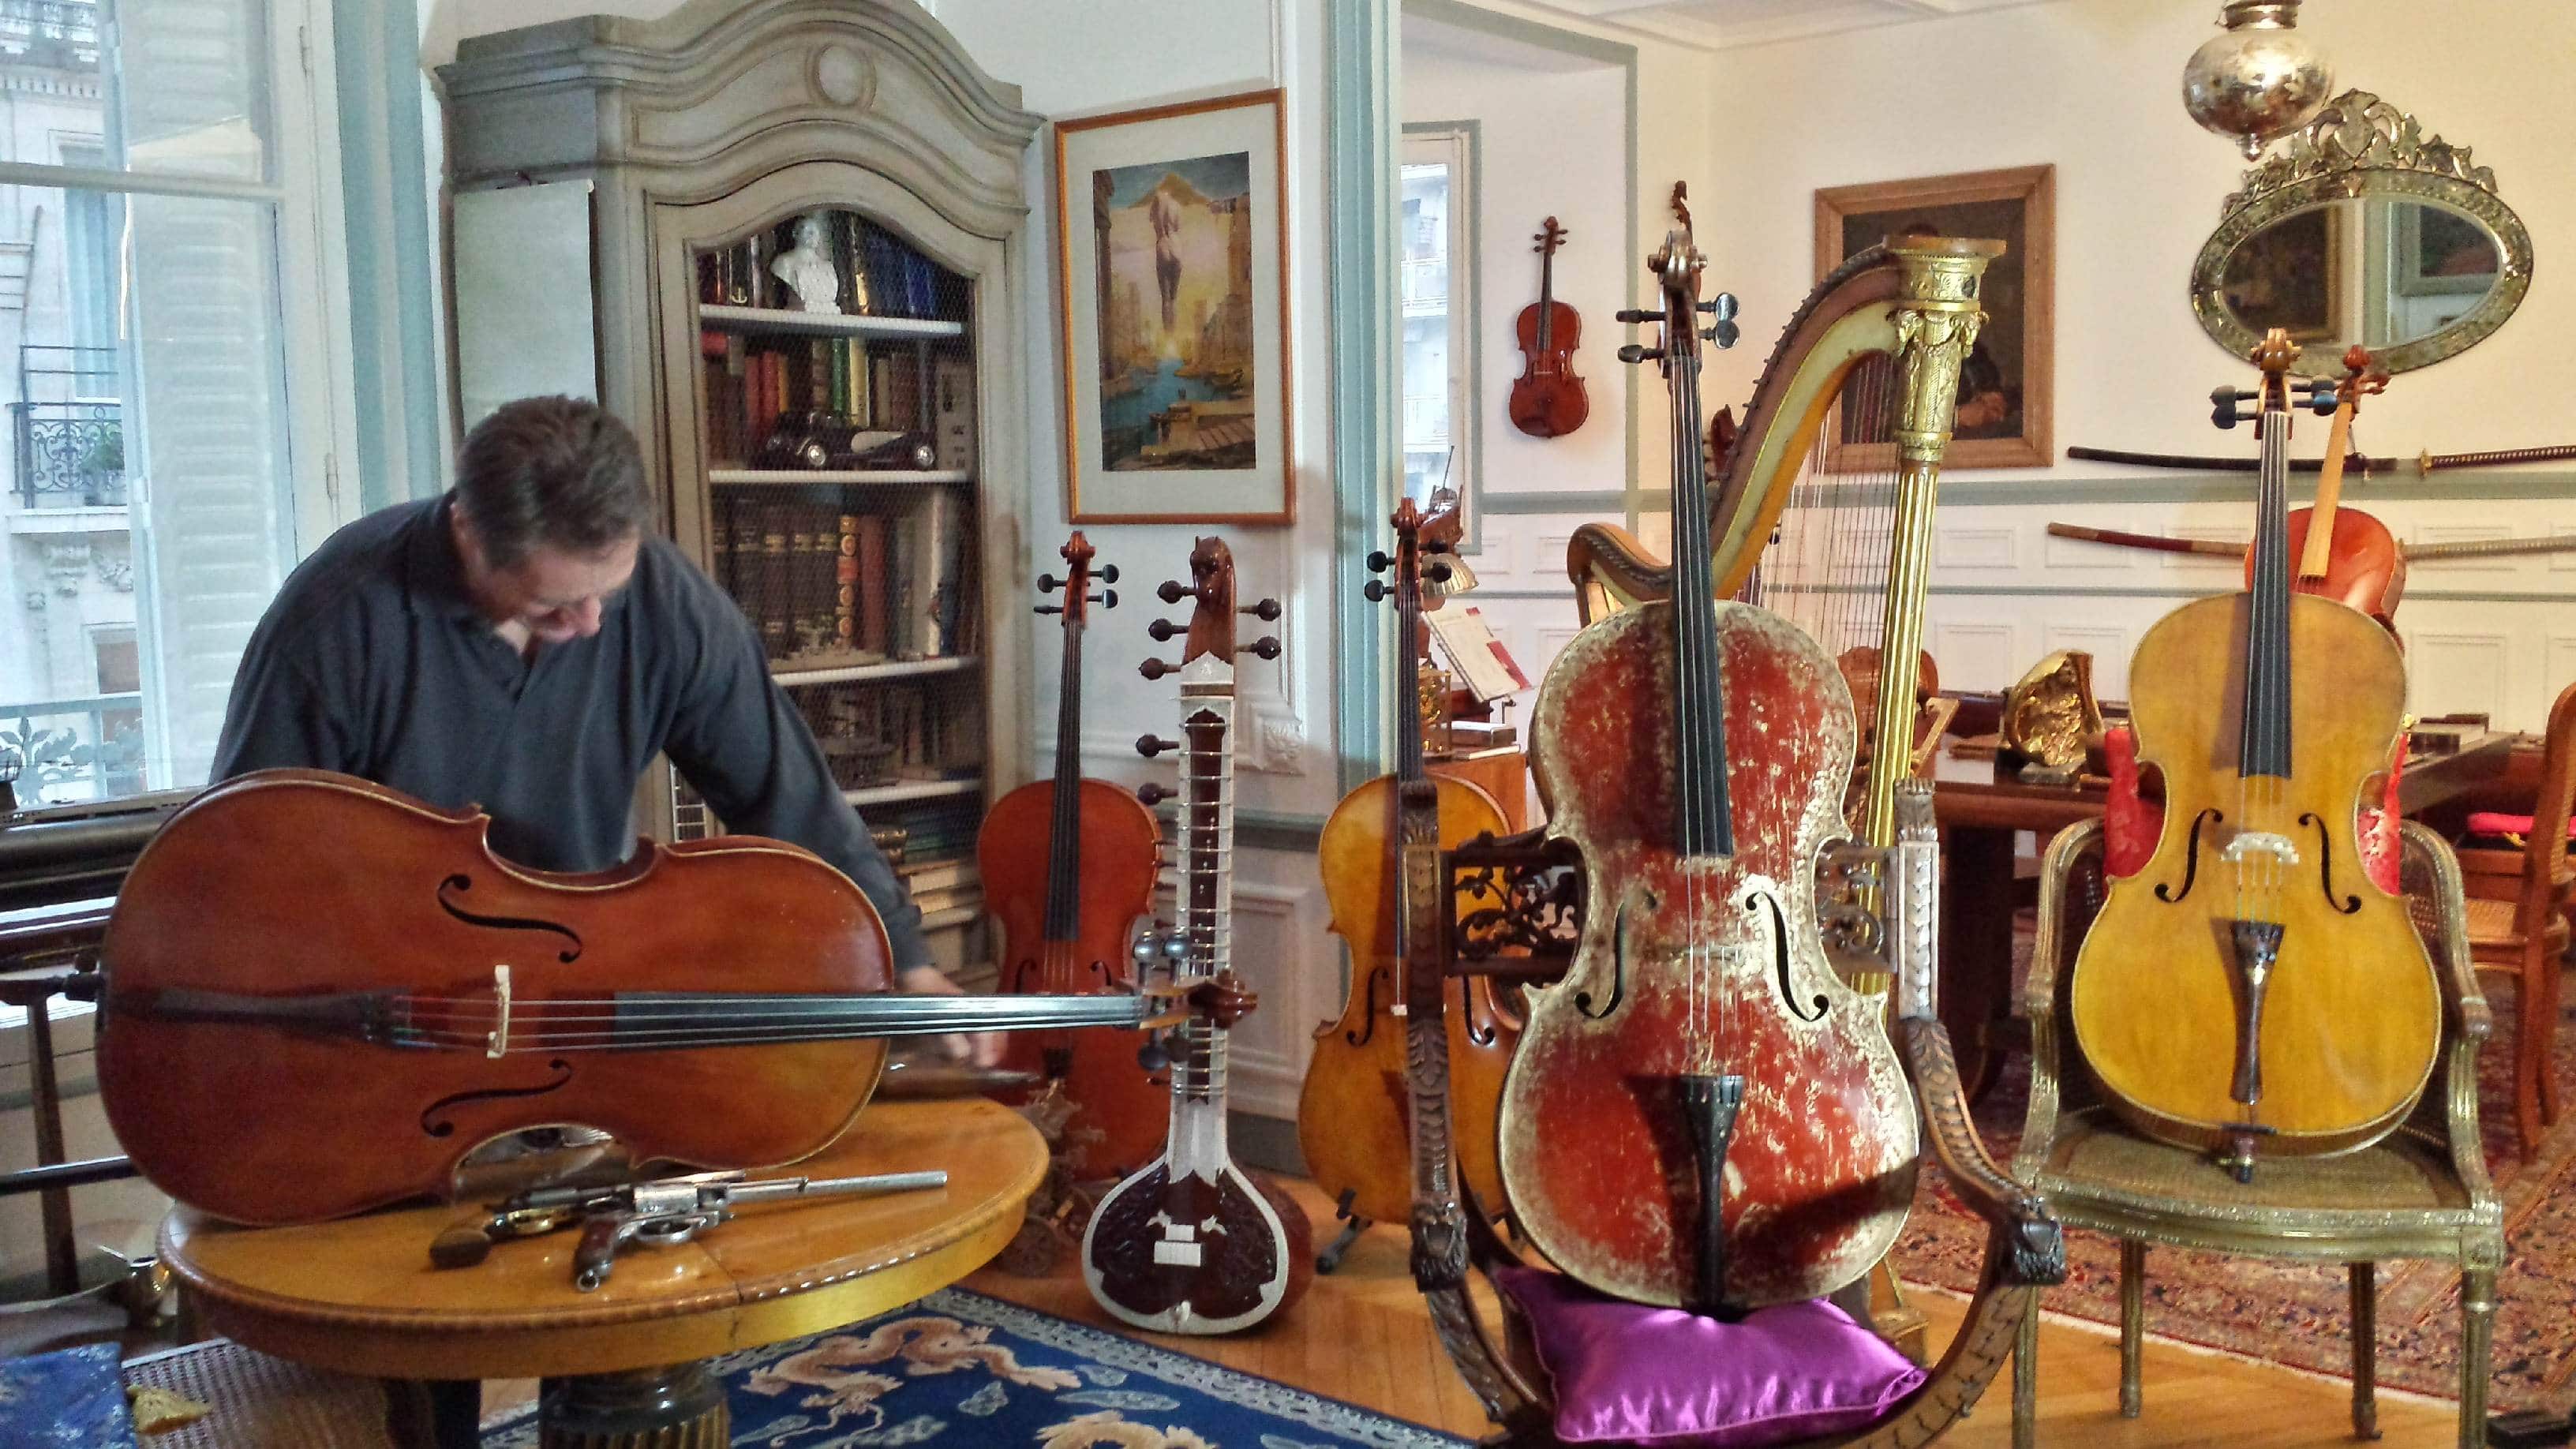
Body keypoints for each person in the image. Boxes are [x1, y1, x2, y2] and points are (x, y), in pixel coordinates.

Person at [212, 395, 996, 1062]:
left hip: (577, 999)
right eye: (554, 604)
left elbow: (787, 793)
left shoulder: (662, 597)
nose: (592, 624)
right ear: (468, 535)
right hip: (392, 1019)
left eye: (607, 592)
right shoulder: (335, 623)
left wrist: (904, 958)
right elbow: (254, 871)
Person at [770, 210, 844, 315]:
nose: (813, 235)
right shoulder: (784, 262)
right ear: (795, 234)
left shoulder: (827, 266)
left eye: (815, 231)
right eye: (808, 231)